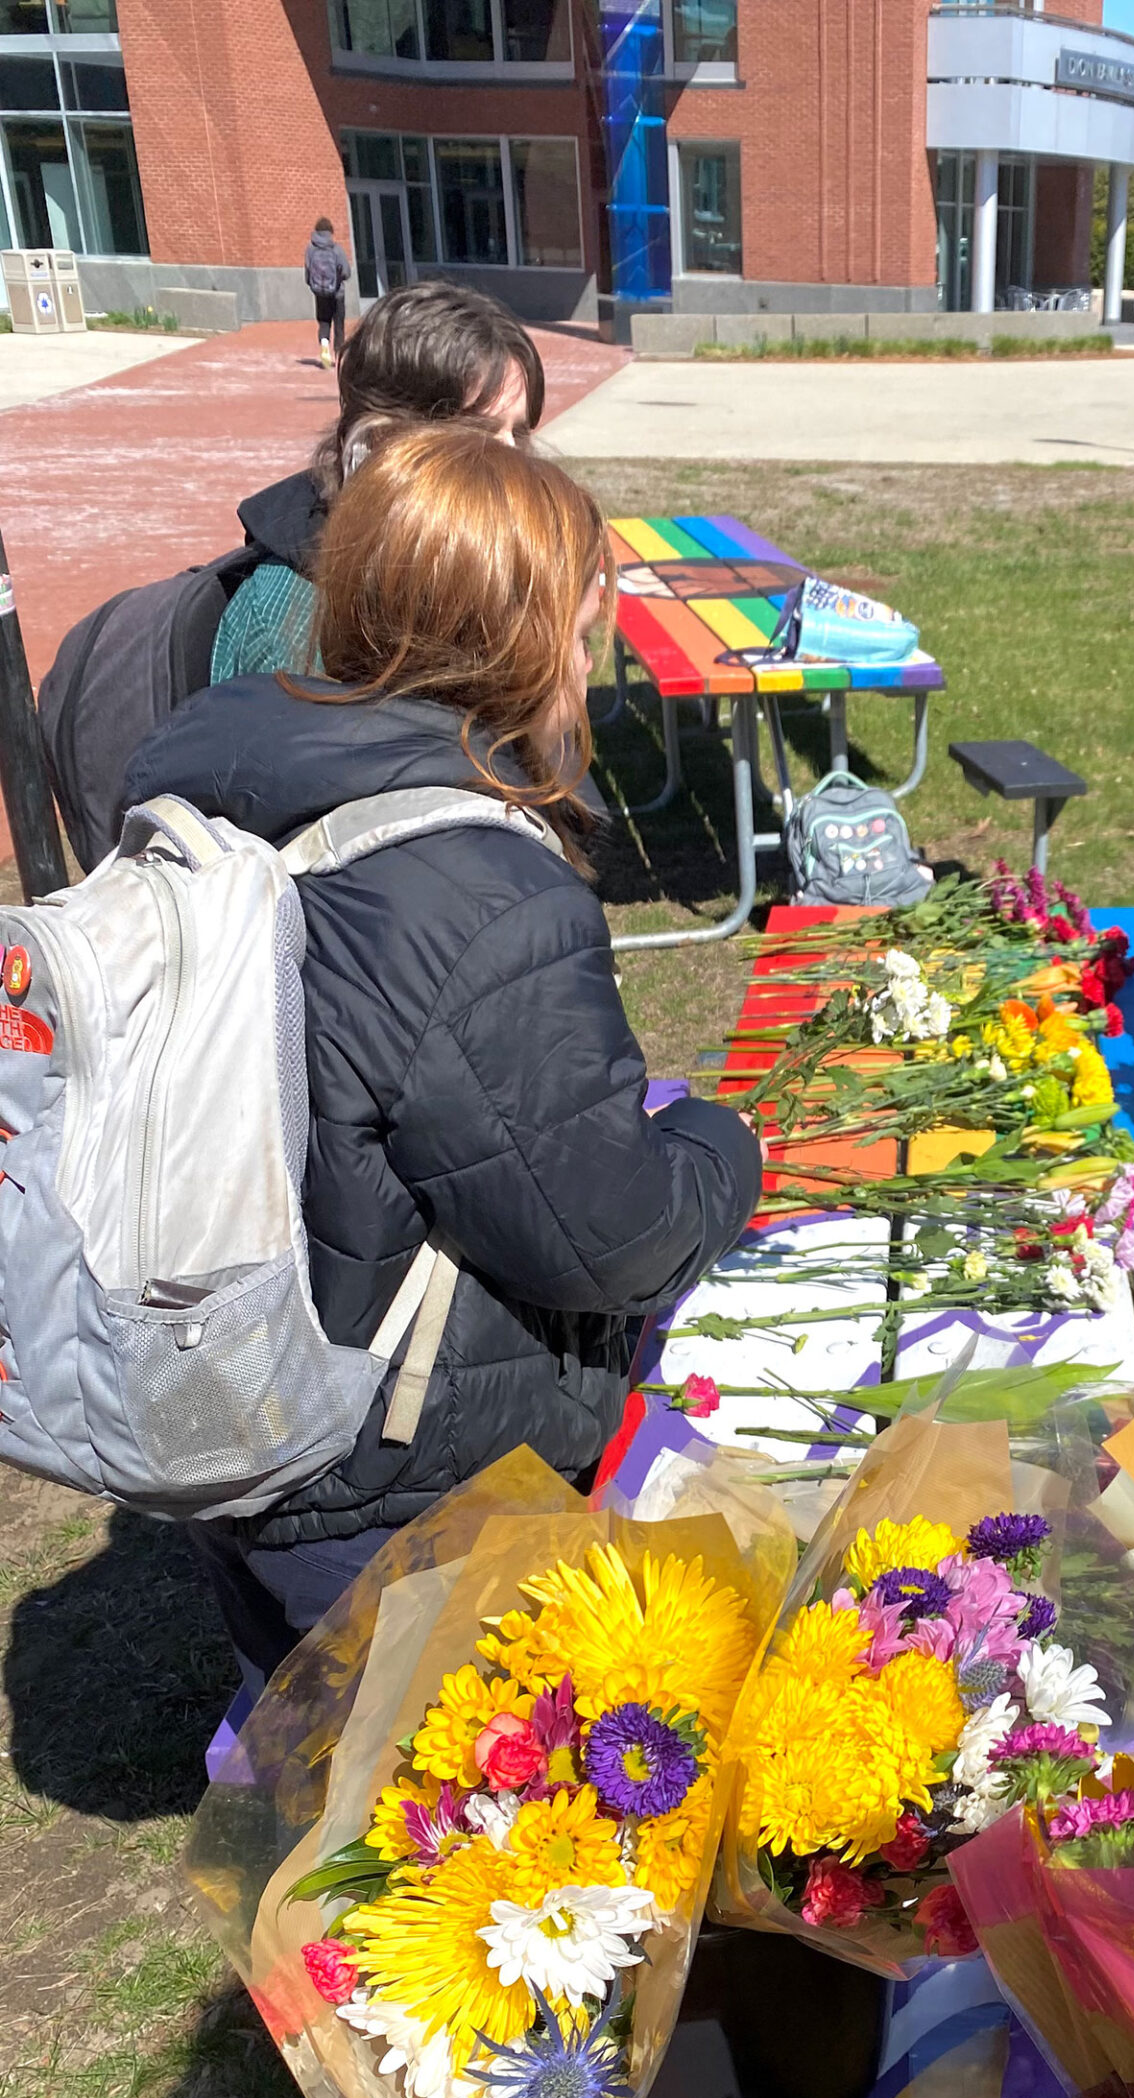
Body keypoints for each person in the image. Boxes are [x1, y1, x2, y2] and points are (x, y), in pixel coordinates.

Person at [120, 429, 762, 1699]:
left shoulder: (212, 774)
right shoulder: (481, 891)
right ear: (516, 639)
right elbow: (610, 1238)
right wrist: (722, 1147)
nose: (586, 665)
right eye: (579, 634)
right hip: (400, 1477)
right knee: (426, 1785)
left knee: (297, 1737)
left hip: (231, 1383)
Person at [211, 278, 546, 685]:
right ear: (380, 443)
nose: (512, 461)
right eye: (477, 436)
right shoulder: (289, 622)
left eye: (518, 434)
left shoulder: (490, 566)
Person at [305, 215, 351, 368]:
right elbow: (346, 272)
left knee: (324, 322)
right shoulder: (336, 249)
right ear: (330, 231)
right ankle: (339, 355)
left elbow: (308, 271)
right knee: (339, 325)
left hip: (320, 293)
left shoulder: (310, 249)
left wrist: (314, 286)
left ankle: (324, 345)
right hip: (337, 293)